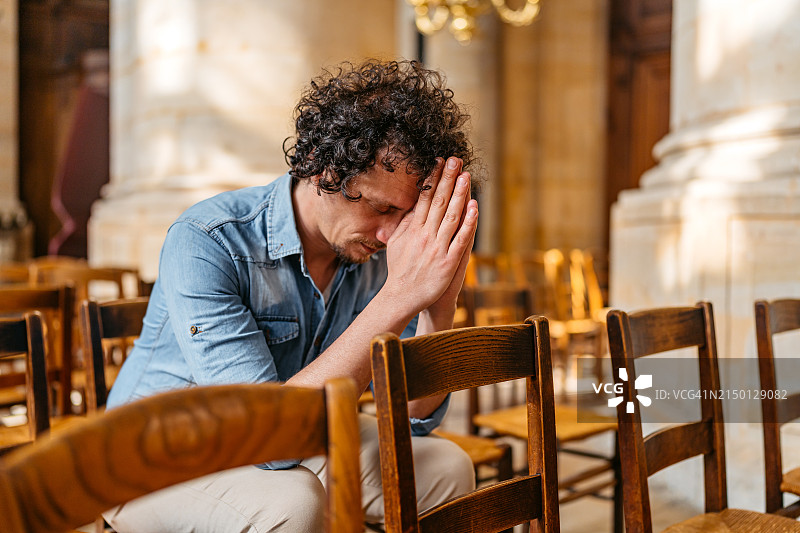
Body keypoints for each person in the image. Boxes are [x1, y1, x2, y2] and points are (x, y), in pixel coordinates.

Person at [104, 59, 479, 532]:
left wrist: (437, 309)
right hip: (146, 456)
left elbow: (409, 418)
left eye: (403, 217)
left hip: (285, 437)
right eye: (382, 207)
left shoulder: (369, 252)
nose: (389, 236)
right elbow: (267, 439)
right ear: (325, 171)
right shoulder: (207, 239)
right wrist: (400, 295)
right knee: (295, 500)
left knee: (445, 467)